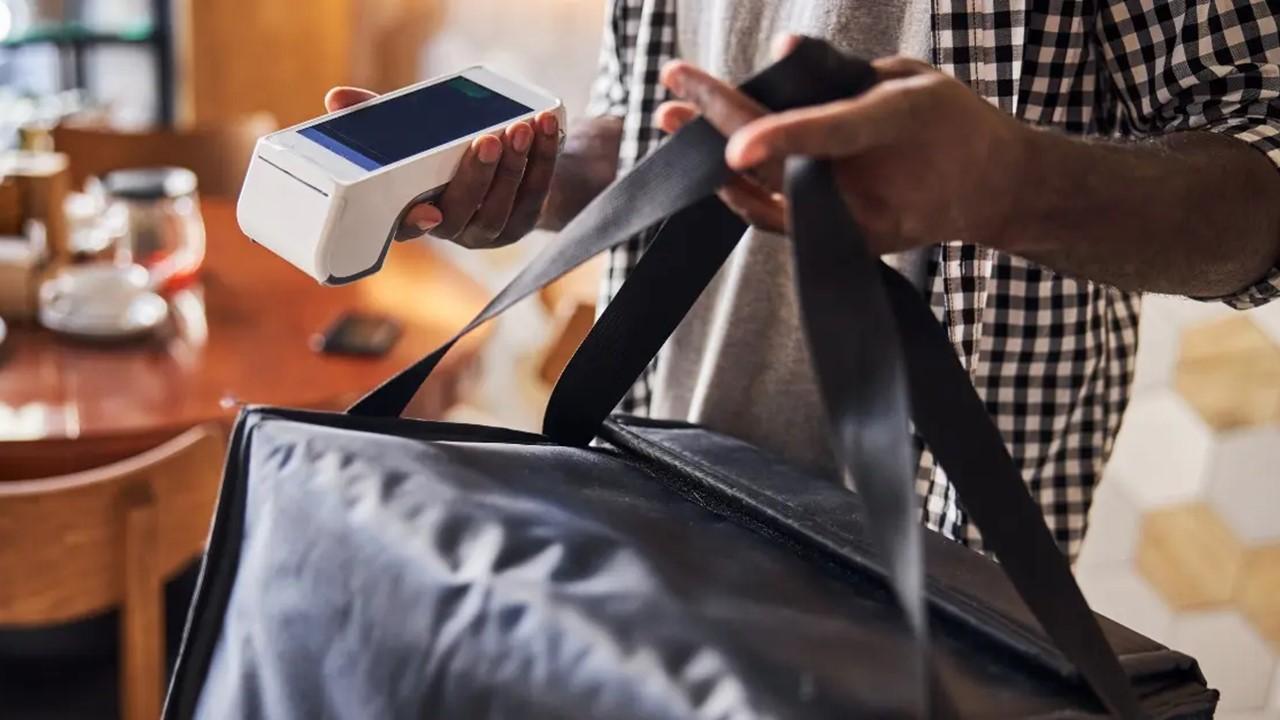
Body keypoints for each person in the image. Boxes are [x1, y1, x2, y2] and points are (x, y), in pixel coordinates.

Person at [325, 0, 1280, 560]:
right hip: (651, 497)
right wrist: (547, 179)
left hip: (944, 566)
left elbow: (1263, 173)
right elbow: (662, 126)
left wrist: (1009, 188)